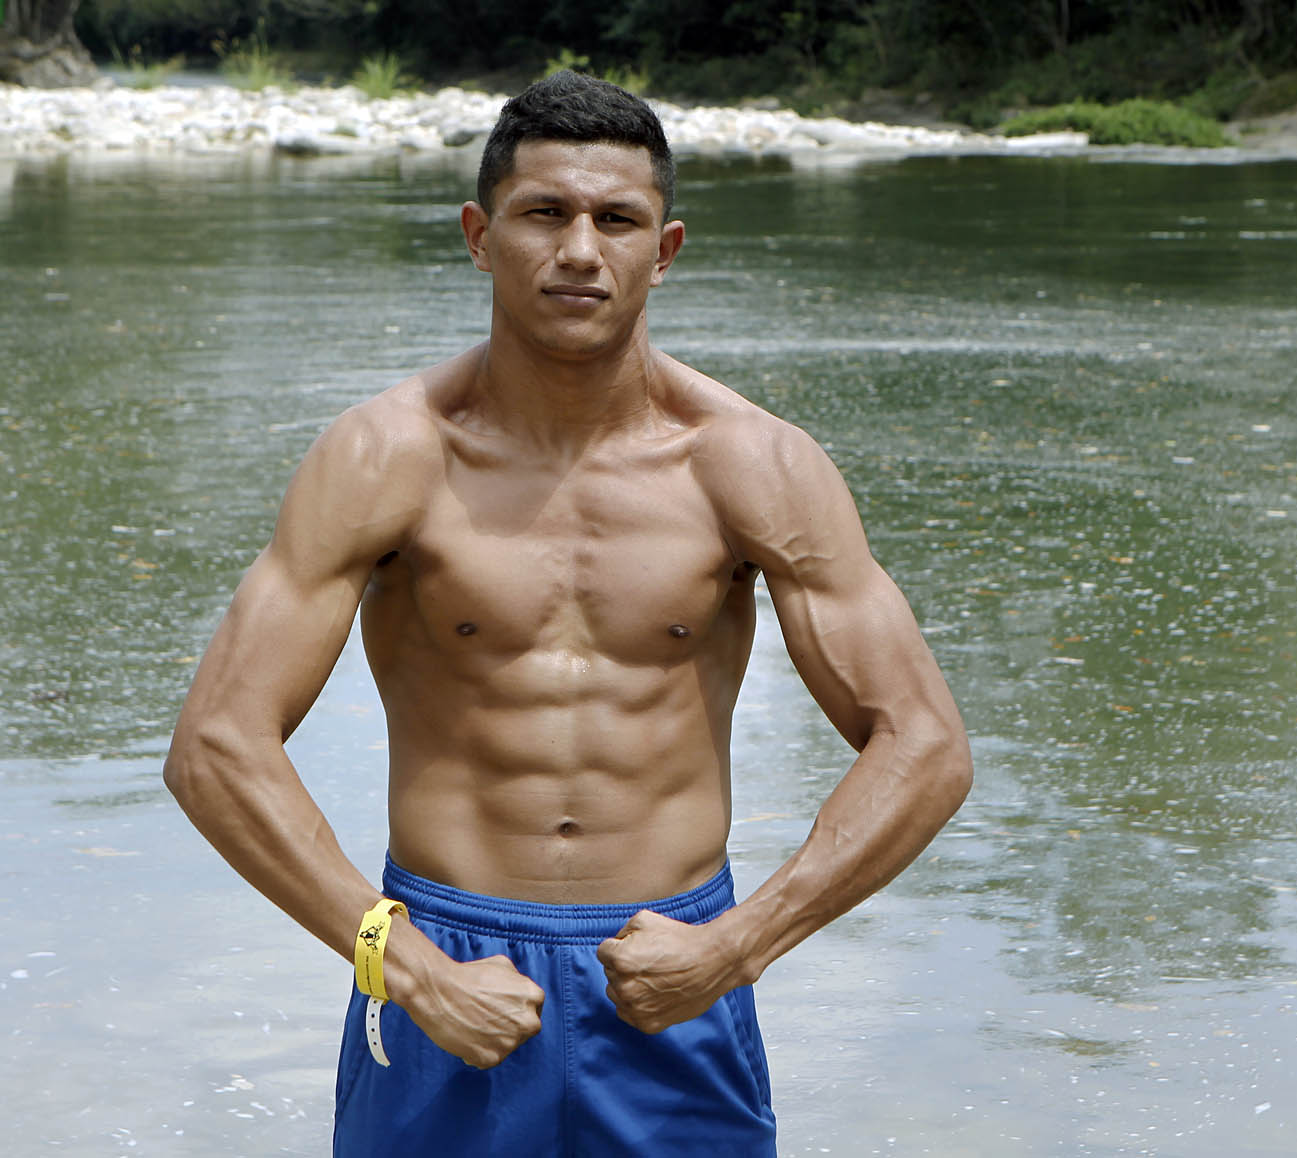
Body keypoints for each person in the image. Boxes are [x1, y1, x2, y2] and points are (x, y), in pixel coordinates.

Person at [163, 69, 972, 1156]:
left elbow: (924, 745)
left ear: (664, 250)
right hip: (443, 966)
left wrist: (739, 948)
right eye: (544, 212)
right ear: (480, 236)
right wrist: (403, 966)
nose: (581, 250)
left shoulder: (753, 465)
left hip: (675, 971)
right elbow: (217, 746)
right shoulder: (386, 456)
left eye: (616, 220)